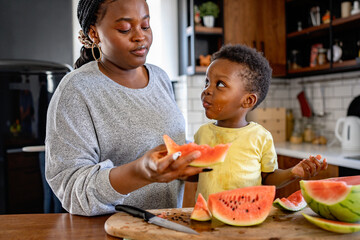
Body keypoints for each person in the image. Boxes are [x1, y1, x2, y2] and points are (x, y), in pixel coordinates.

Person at [45, 0, 207, 216]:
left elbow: (166, 148)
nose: (140, 36)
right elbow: (74, 192)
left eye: (146, 26)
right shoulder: (76, 90)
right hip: (108, 231)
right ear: (94, 34)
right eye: (125, 29)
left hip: (166, 227)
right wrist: (139, 172)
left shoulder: (160, 78)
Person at [195, 44, 328, 200]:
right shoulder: (202, 134)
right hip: (207, 218)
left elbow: (269, 177)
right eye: (207, 82)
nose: (207, 90)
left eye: (220, 84)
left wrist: (293, 172)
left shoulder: (260, 137)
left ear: (248, 100)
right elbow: (197, 175)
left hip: (246, 217)